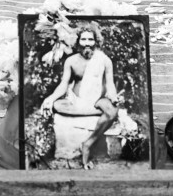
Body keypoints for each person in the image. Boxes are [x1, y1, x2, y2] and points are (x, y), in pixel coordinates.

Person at [41, 24, 118, 168]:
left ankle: (88, 144)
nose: (87, 43)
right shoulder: (71, 61)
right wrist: (50, 98)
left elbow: (110, 84)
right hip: (76, 101)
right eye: (84, 39)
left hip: (97, 100)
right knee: (56, 105)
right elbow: (64, 84)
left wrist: (113, 97)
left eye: (90, 39)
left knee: (113, 110)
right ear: (78, 41)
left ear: (96, 41)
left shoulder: (104, 60)